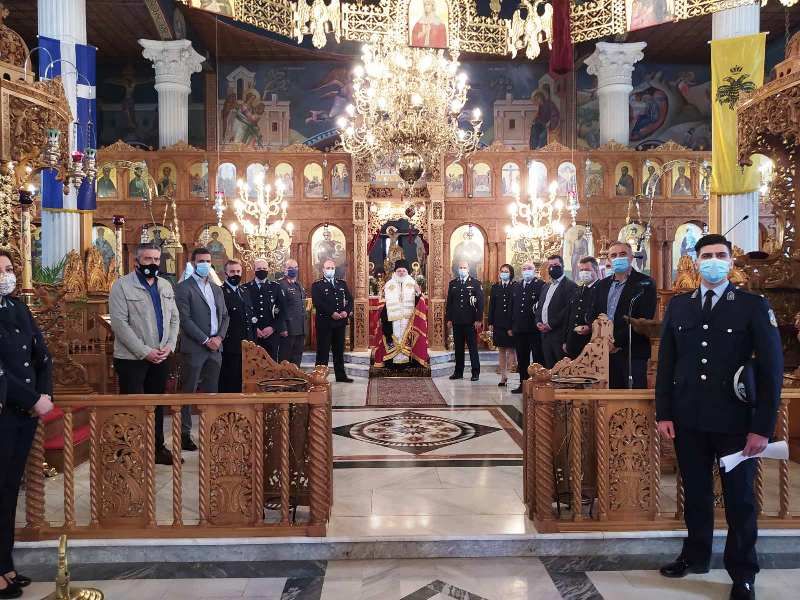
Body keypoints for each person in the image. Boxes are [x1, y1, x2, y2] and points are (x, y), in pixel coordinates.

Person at [656, 234, 783, 600]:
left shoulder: (752, 305)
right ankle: (695, 556)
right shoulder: (679, 306)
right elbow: (667, 363)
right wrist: (665, 412)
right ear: (696, 262)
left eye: (720, 255)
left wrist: (762, 428)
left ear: (730, 261)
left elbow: (771, 371)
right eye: (707, 255)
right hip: (689, 419)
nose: (713, 261)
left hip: (736, 423)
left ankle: (743, 573)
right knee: (695, 494)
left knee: (740, 500)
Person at [0, 249, 53, 598]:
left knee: (8, 491)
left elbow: (42, 354)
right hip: (5, 410)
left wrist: (44, 393)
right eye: (1, 270)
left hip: (24, 415)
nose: (7, 275)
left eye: (9, 269)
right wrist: (31, 399)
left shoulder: (17, 307)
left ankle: (5, 564)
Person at [109, 243, 180, 465]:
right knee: (132, 406)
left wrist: (170, 345)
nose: (153, 263)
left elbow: (174, 319)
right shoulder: (121, 286)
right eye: (148, 259)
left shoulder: (165, 285)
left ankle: (156, 448)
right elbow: (120, 324)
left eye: (157, 259)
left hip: (161, 356)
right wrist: (144, 352)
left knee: (156, 404)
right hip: (131, 359)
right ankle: (128, 452)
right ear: (136, 261)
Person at [175, 248, 230, 449]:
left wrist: (219, 337)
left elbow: (225, 316)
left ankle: (211, 431)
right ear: (193, 263)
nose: (205, 264)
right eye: (201, 261)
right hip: (195, 348)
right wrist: (206, 340)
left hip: (216, 348)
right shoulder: (183, 288)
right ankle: (184, 433)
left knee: (212, 392)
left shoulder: (216, 288)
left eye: (208, 261)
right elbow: (185, 319)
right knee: (188, 392)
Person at [588, 241, 657, 388]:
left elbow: (642, 319)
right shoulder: (601, 285)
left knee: (633, 396)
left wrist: (615, 342)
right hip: (604, 352)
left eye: (623, 254)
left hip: (632, 351)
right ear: (609, 260)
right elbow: (592, 314)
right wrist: (602, 340)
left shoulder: (645, 283)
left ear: (631, 257)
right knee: (609, 396)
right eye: (613, 255)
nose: (618, 258)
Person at [312, 259, 354, 382]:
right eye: (328, 268)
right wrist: (331, 313)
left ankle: (341, 376)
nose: (330, 270)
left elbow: (350, 300)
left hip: (339, 323)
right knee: (323, 352)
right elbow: (318, 303)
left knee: (339, 351)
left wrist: (346, 311)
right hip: (325, 323)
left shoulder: (341, 283)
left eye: (332, 268)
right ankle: (319, 377)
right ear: (323, 270)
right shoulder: (317, 285)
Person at [376, 259, 423, 368]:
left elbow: (418, 302)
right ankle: (392, 362)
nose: (401, 273)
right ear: (395, 272)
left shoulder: (412, 283)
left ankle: (407, 361)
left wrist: (418, 292)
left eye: (403, 271)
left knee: (406, 339)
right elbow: (382, 302)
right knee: (394, 337)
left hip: (408, 318)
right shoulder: (389, 284)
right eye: (399, 271)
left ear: (407, 272)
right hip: (393, 318)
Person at [218, 259, 255, 393]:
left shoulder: (244, 291)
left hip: (246, 343)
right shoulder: (220, 292)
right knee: (230, 380)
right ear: (226, 274)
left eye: (238, 271)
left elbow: (249, 316)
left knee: (244, 379)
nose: (236, 274)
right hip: (230, 344)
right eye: (232, 271)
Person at [535, 255, 578, 368]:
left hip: (559, 335)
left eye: (556, 265)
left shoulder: (571, 286)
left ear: (562, 266)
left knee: (562, 369)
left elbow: (567, 310)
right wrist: (538, 321)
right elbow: (540, 306)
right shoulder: (546, 286)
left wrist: (551, 324)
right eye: (550, 266)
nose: (552, 268)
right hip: (545, 335)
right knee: (549, 368)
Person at [446, 260, 484, 381]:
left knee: (473, 348)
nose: (462, 269)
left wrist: (478, 319)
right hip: (457, 321)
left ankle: (475, 372)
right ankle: (458, 372)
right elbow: (450, 303)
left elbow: (480, 303)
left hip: (470, 321)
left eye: (464, 267)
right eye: (460, 267)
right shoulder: (453, 283)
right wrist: (449, 318)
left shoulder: (475, 283)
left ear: (468, 269)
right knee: (458, 348)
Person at [510, 261, 544, 393]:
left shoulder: (540, 285)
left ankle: (538, 385)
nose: (526, 271)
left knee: (537, 358)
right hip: (519, 329)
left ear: (534, 270)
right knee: (522, 358)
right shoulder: (517, 286)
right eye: (524, 268)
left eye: (529, 268)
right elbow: (513, 307)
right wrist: (512, 326)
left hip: (534, 329)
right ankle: (523, 384)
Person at [243, 258, 286, 360]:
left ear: (268, 270)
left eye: (264, 268)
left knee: (271, 364)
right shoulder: (245, 288)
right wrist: (254, 328)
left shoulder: (276, 287)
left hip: (271, 335)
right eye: (259, 268)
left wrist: (273, 327)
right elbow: (244, 311)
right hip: (253, 335)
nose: (262, 270)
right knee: (253, 363)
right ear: (254, 270)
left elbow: (283, 311)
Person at [563, 256, 600, 359]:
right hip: (572, 342)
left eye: (587, 270)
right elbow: (569, 316)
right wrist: (565, 341)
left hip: (590, 343)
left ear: (596, 270)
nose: (584, 273)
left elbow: (603, 315)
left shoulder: (601, 289)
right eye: (581, 270)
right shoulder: (577, 290)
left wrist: (590, 327)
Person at [488, 264, 516, 387]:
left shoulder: (515, 286)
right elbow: (492, 306)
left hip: (510, 323)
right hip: (498, 322)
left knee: (511, 349)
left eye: (506, 271)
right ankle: (503, 376)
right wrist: (490, 322)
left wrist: (513, 325)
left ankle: (509, 372)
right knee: (501, 349)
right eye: (502, 271)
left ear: (511, 273)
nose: (504, 273)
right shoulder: (495, 287)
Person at [277, 259, 307, 367]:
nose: (293, 270)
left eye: (295, 267)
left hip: (300, 328)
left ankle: (295, 376)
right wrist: (282, 328)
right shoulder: (281, 285)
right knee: (285, 359)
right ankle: (284, 378)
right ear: (284, 269)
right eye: (290, 268)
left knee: (297, 358)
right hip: (288, 329)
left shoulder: (298, 285)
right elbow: (279, 308)